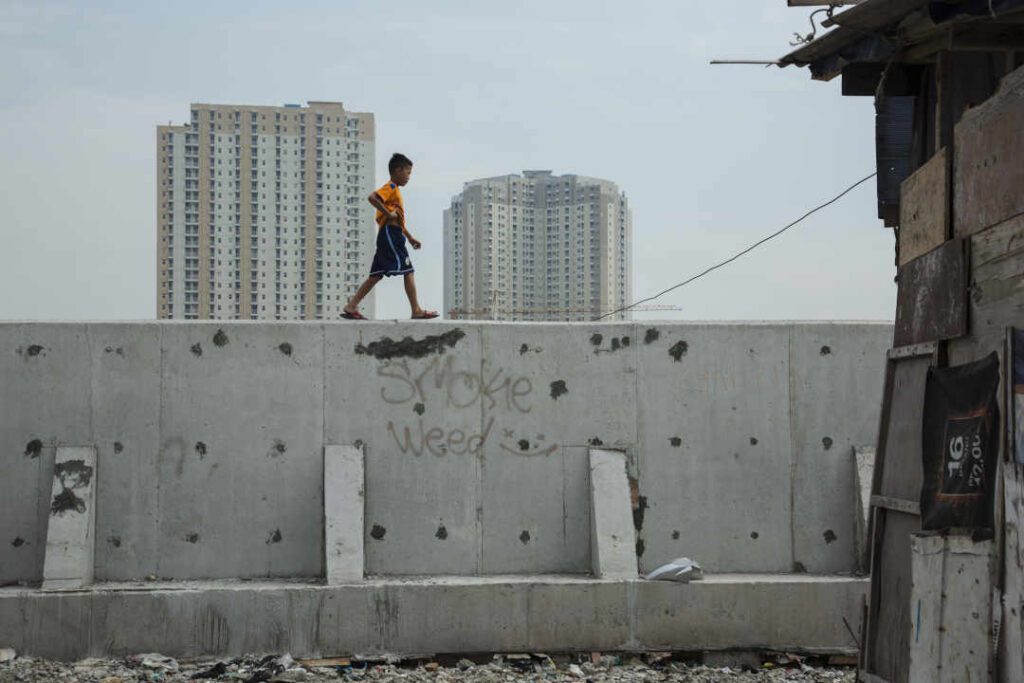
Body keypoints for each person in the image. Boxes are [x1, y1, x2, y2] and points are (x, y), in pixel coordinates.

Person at [342, 153, 438, 320]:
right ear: (397, 171)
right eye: (407, 172)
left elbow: (397, 218)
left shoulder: (396, 191)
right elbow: (372, 198)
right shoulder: (391, 187)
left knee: (376, 275)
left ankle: (351, 306)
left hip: (390, 234)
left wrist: (409, 237)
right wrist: (387, 212)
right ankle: (416, 309)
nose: (409, 177)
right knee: (408, 270)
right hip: (390, 235)